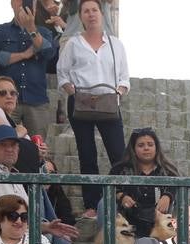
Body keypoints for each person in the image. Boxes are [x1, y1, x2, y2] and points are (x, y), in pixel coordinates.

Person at [56, 0, 129, 215]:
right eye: (86, 11)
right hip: (81, 104)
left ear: (102, 13)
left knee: (119, 155)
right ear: (80, 16)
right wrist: (74, 93)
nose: (91, 14)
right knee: (87, 155)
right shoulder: (74, 44)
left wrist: (117, 94)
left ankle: (121, 200)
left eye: (94, 10)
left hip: (108, 103)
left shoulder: (116, 44)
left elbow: (124, 78)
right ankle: (91, 205)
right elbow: (63, 73)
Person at [0, 0, 58, 137]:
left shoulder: (45, 33)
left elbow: (49, 53)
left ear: (35, 6)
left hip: (37, 100)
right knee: (5, 141)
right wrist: (24, 55)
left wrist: (31, 29)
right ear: (12, 3)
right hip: (6, 100)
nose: (24, 3)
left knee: (38, 148)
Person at [108, 126, 178, 233]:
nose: (146, 148)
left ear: (156, 147)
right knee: (103, 204)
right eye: (141, 145)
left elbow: (178, 187)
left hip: (159, 223)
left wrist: (168, 196)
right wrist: (121, 196)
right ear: (133, 149)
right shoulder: (120, 169)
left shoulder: (168, 170)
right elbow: (109, 188)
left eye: (150, 145)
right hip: (127, 222)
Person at [0, 77, 46, 173]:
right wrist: (21, 131)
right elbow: (0, 136)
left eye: (13, 93)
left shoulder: (9, 120)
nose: (9, 96)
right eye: (3, 93)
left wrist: (36, 151)